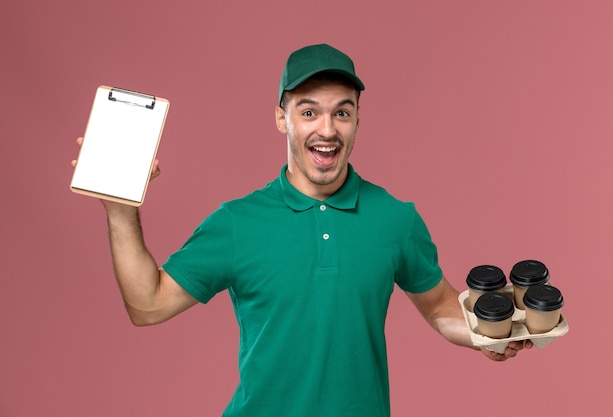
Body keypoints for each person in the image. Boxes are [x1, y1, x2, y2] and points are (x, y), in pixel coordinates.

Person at [72, 44, 532, 417]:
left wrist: (482, 334)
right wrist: (119, 210)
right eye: (308, 112)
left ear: (356, 120)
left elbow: (438, 305)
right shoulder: (237, 223)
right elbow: (148, 305)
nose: (327, 129)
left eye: (342, 113)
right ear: (281, 119)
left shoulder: (395, 218)